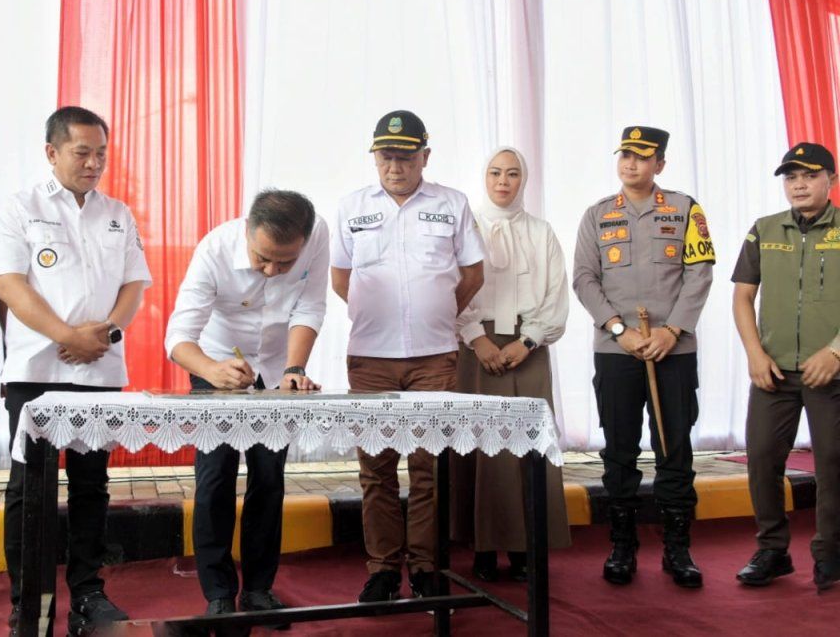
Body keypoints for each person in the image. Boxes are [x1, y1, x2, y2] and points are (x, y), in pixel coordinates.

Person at [0, 106, 152, 635]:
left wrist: (106, 334)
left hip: (99, 368)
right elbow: (11, 285)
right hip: (36, 370)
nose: (94, 162)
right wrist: (66, 336)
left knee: (91, 485)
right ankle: (25, 599)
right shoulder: (20, 208)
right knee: (28, 487)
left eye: (101, 152)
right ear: (52, 152)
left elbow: (134, 286)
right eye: (83, 152)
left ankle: (88, 593)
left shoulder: (118, 213)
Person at [331, 109, 486, 602]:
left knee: (428, 467)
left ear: (426, 157)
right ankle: (381, 569)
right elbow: (341, 278)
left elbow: (473, 274)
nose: (394, 166)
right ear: (374, 157)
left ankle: (424, 567)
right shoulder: (352, 206)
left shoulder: (453, 203)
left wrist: (436, 311)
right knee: (376, 469)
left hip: (434, 356)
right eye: (385, 156)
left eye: (404, 156)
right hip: (370, 357)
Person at [165, 189, 328, 621]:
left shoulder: (317, 236)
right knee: (216, 477)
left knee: (269, 478)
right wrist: (212, 370)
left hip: (278, 367)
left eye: (285, 263)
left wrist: (295, 367)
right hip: (216, 361)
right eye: (263, 259)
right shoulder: (214, 250)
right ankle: (218, 593)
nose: (273, 271)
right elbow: (178, 335)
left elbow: (310, 306)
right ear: (247, 232)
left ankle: (258, 589)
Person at [572, 126, 714, 588]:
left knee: (674, 448)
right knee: (619, 449)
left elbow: (700, 272)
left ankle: (677, 549)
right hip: (617, 352)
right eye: (625, 155)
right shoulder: (597, 215)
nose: (631, 163)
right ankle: (622, 545)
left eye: (642, 157)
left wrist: (672, 331)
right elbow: (585, 280)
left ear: (661, 165)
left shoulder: (685, 209)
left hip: (674, 350)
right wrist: (619, 330)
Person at [451, 146, 571, 582]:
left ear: (525, 179)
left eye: (514, 173)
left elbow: (556, 294)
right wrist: (476, 339)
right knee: (479, 446)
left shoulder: (541, 232)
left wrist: (529, 340)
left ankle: (524, 547)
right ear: (484, 177)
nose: (504, 181)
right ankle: (482, 546)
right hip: (474, 345)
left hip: (527, 347)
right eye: (495, 172)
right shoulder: (467, 229)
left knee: (525, 447)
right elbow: (452, 286)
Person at [731, 142, 840, 591]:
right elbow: (741, 296)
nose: (798, 184)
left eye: (809, 175)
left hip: (830, 371)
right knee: (760, 458)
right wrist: (754, 353)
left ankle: (830, 552)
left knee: (832, 462)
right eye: (790, 177)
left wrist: (835, 352)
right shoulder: (763, 230)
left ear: (831, 181)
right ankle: (772, 550)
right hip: (772, 371)